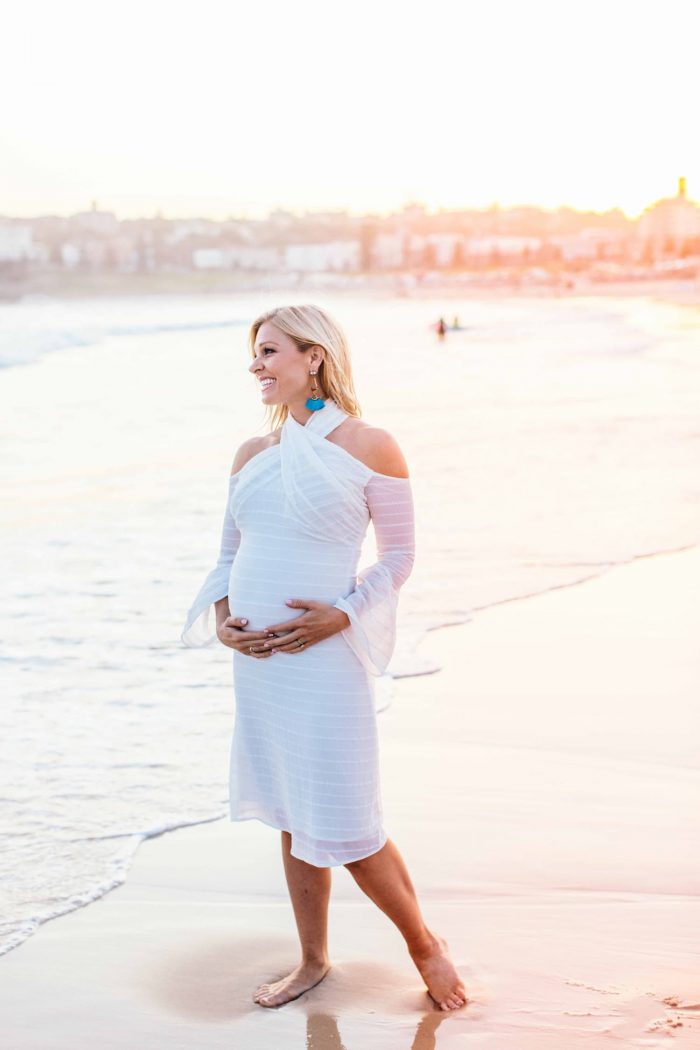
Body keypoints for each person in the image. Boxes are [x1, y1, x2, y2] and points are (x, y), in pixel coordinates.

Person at [181, 304, 466, 1012]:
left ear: (314, 357)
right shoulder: (252, 453)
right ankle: (312, 959)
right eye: (255, 352)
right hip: (261, 666)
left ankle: (425, 945)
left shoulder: (371, 444)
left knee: (348, 822)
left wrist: (343, 613)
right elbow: (227, 556)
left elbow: (398, 557)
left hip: (326, 657)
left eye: (269, 351)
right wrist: (223, 623)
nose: (256, 365)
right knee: (291, 811)